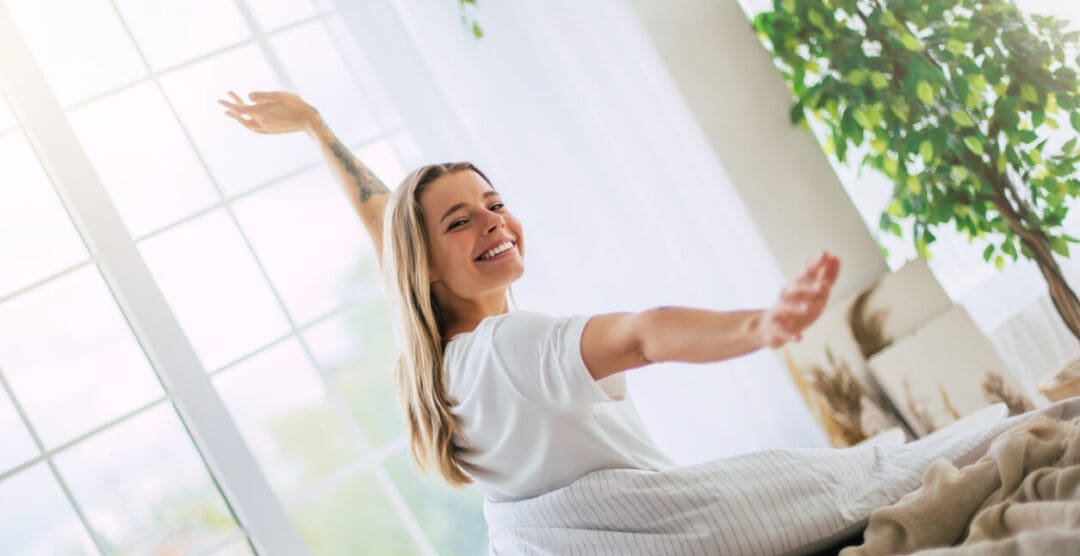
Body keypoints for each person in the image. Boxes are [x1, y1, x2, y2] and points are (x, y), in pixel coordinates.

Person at [218, 90, 841, 502]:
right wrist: (761, 326)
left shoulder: (447, 363)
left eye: (494, 204)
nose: (493, 222)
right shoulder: (508, 346)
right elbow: (643, 334)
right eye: (460, 222)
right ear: (422, 264)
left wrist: (317, 129)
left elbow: (388, 220)